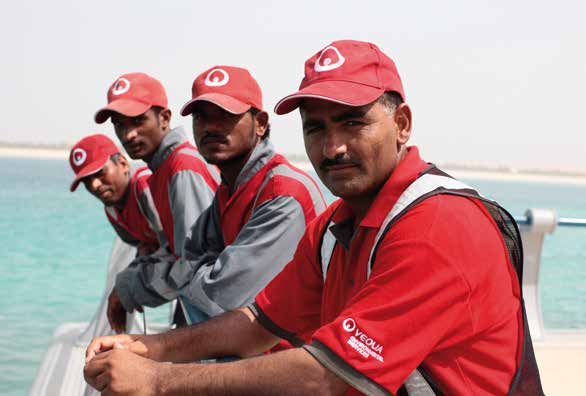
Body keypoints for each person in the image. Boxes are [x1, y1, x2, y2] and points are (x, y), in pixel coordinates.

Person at [84, 41, 543, 395]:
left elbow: (327, 377)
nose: (332, 147)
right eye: (316, 127)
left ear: (401, 123)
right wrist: (148, 348)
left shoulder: (438, 225)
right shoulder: (335, 227)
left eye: (353, 123)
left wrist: (158, 380)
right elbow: (257, 323)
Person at [109, 65, 326, 327]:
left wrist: (141, 285)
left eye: (225, 115)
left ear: (260, 123)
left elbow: (221, 296)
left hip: (281, 357)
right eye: (201, 117)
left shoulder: (282, 193)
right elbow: (191, 259)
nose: (211, 127)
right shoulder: (229, 190)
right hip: (247, 347)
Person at [94, 72, 220, 331]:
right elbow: (178, 249)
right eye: (120, 125)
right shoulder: (162, 171)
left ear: (164, 118)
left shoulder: (181, 168)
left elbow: (195, 265)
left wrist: (129, 288)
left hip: (218, 318)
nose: (128, 135)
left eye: (138, 121)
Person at [69, 134, 162, 256]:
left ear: (123, 164)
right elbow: (141, 245)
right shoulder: (112, 208)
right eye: (86, 181)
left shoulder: (146, 186)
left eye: (100, 173)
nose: (94, 185)